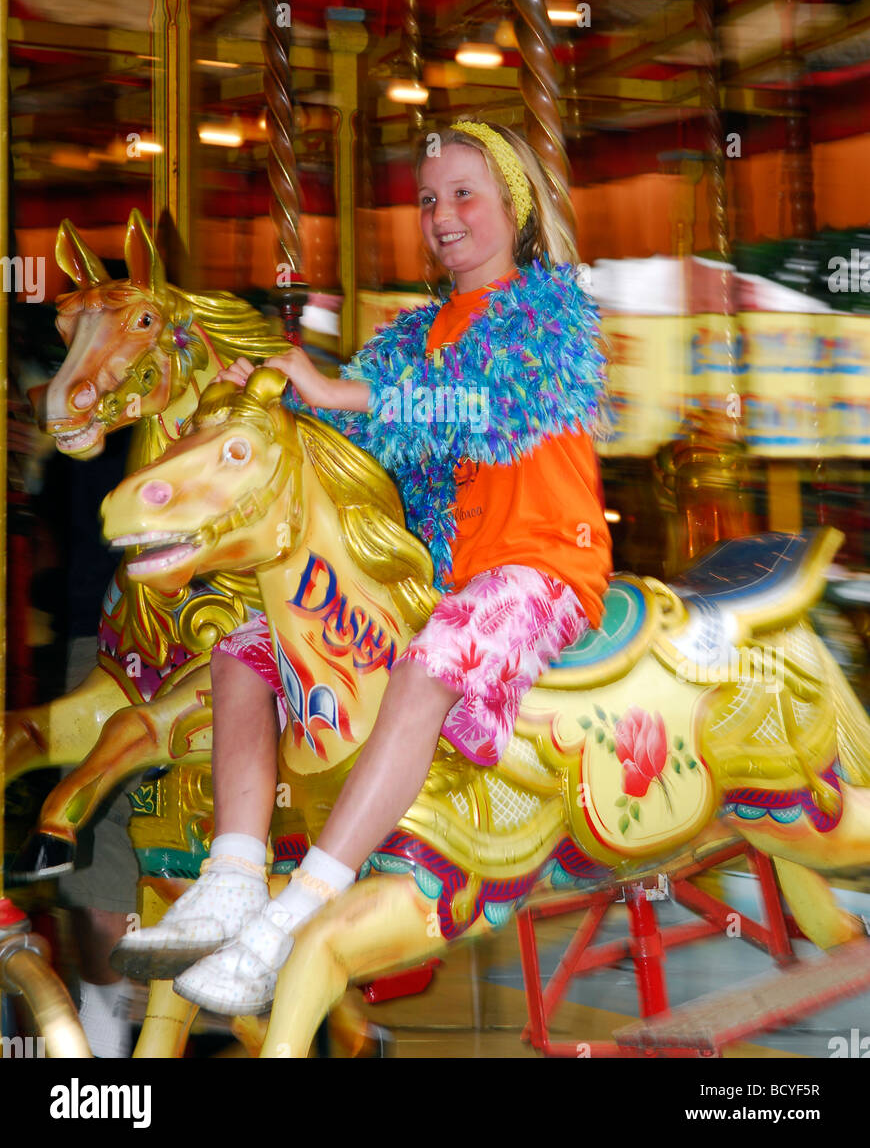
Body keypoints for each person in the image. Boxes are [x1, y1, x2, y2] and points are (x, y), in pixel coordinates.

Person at [113, 120, 612, 1015]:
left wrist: (333, 385)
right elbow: (353, 440)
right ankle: (235, 869)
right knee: (248, 646)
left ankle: (299, 909)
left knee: (432, 665)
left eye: (464, 194)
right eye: (428, 200)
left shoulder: (555, 313)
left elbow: (481, 408)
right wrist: (246, 393)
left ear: (515, 205)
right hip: (442, 569)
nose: (443, 215)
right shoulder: (414, 334)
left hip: (539, 566)